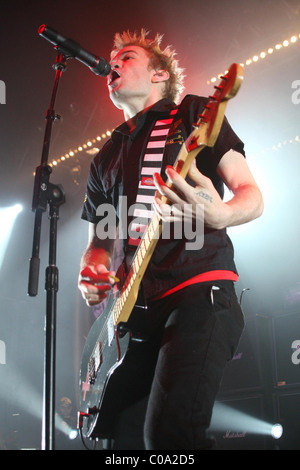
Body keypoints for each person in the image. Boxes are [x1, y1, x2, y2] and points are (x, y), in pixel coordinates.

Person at [78, 29, 263, 450]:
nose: (114, 65)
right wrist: (91, 271)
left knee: (170, 439)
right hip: (132, 315)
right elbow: (99, 244)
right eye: (113, 60)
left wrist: (220, 213)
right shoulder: (105, 155)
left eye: (127, 56)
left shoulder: (194, 113)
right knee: (120, 445)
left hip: (198, 293)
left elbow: (252, 197)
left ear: (160, 73)